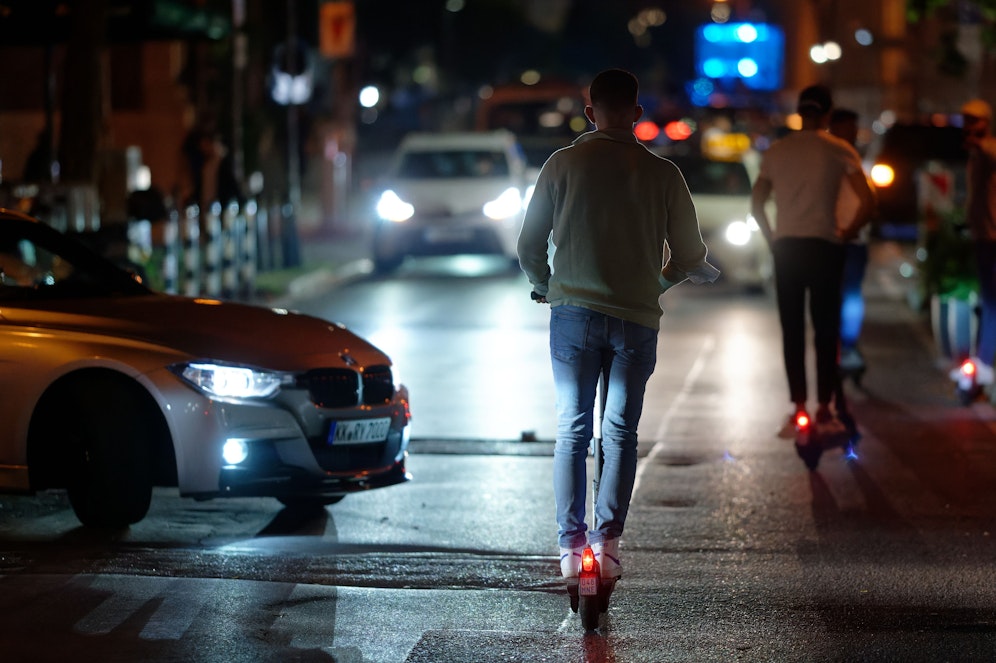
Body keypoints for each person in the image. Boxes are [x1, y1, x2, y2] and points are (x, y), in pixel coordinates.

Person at [516, 68, 719, 590]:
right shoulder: (663, 175)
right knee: (620, 432)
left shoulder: (561, 165)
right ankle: (607, 545)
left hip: (573, 316)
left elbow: (528, 244)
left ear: (589, 112)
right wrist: (655, 282)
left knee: (571, 429)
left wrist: (546, 285)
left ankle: (569, 546)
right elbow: (692, 256)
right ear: (636, 113)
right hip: (635, 321)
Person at [750, 85, 876, 439]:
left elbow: (757, 203)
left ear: (800, 111)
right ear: (826, 113)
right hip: (825, 246)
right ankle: (824, 409)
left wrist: (772, 238)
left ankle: (798, 408)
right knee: (826, 330)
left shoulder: (777, 150)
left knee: (791, 329)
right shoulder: (840, 150)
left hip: (787, 247)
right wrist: (847, 231)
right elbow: (866, 202)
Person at [828, 108, 873, 375]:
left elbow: (867, 200)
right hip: (842, 236)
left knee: (849, 293)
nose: (854, 134)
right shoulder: (843, 155)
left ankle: (845, 345)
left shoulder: (849, 156)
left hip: (847, 237)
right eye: (850, 128)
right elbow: (868, 200)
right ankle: (843, 346)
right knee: (846, 293)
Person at [959, 98, 996, 386]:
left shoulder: (988, 148)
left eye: (975, 120)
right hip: (983, 234)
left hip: (992, 236)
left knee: (991, 301)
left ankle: (984, 364)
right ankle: (982, 362)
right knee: (987, 300)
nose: (970, 127)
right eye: (967, 120)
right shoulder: (975, 154)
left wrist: (979, 145)